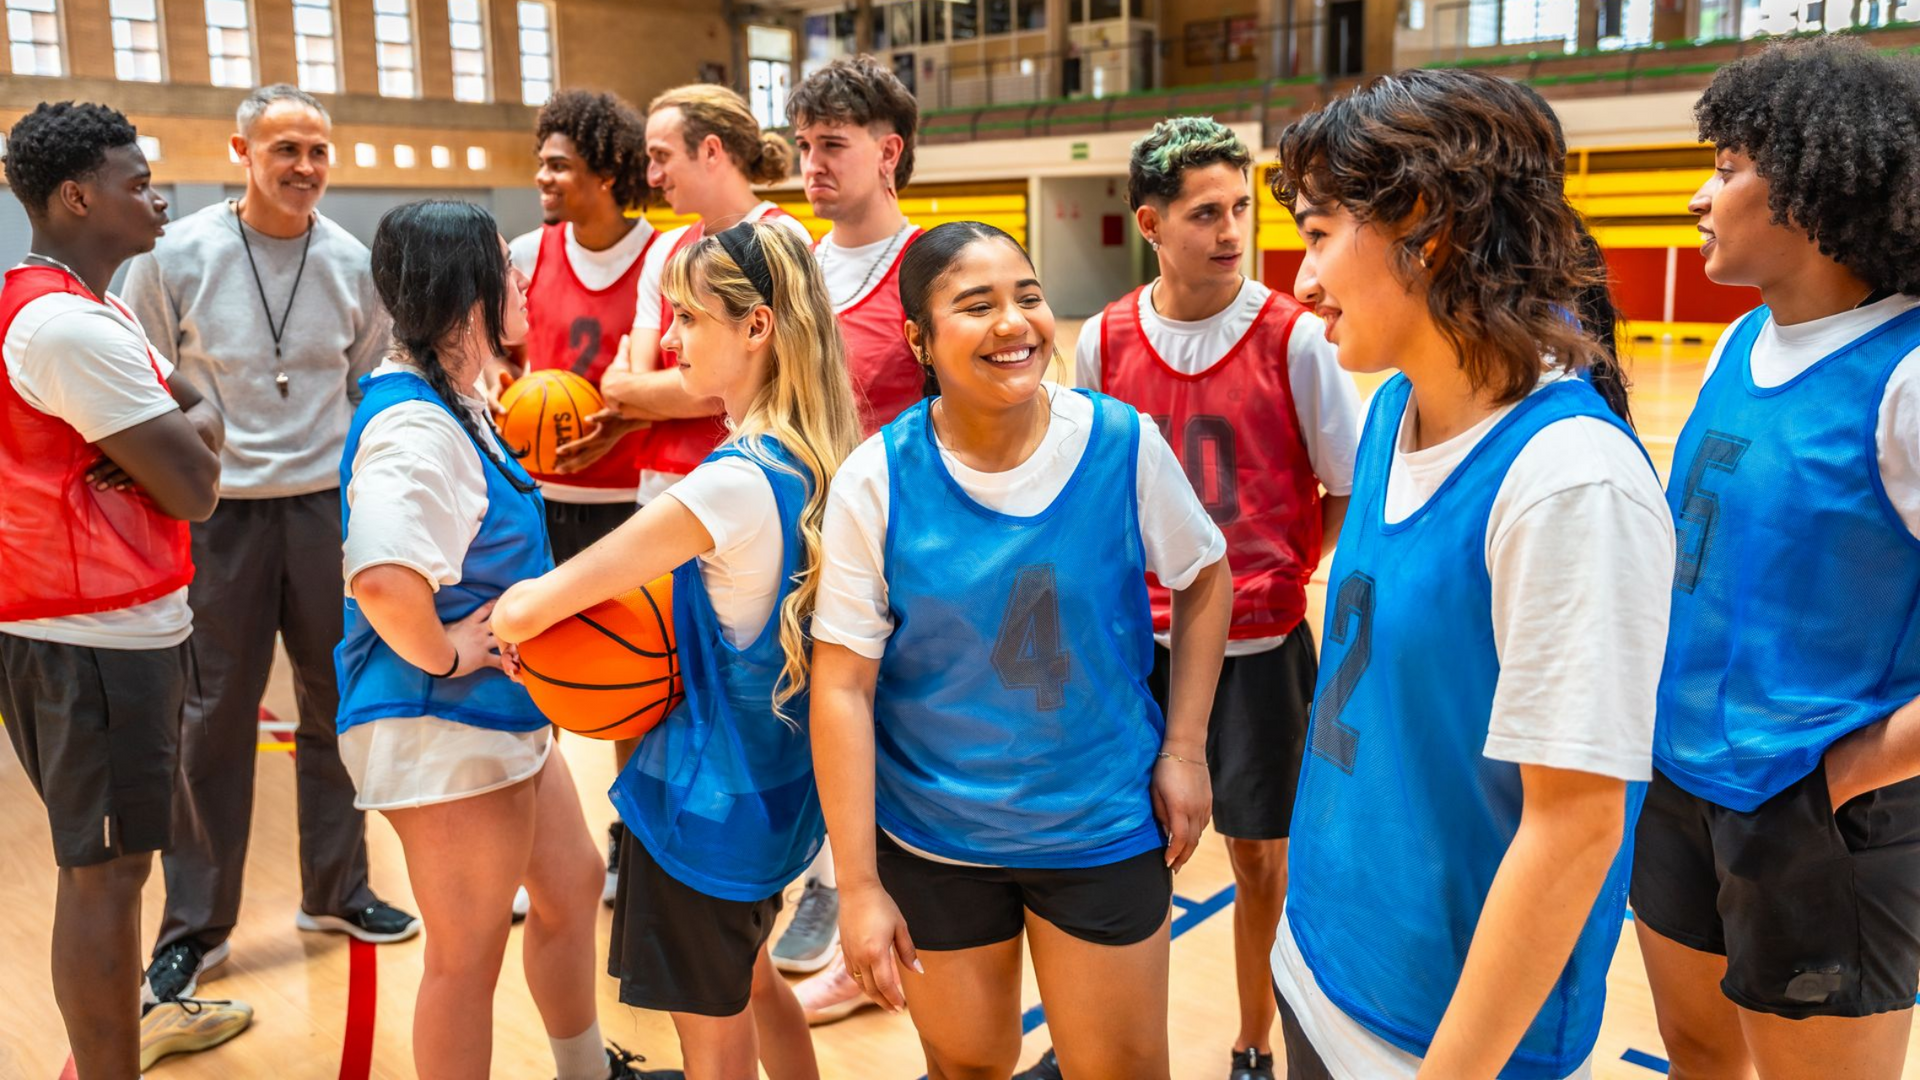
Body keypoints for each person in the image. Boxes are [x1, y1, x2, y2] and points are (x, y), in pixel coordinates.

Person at [1265, 70, 1674, 1080]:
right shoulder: (1387, 415)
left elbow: (1575, 831)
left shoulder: (1569, 480)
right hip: (1320, 963)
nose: (1302, 281)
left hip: (1443, 1040)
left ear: (1424, 228)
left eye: (1319, 236)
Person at [810, 220, 1233, 1080]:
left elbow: (1205, 576)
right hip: (934, 838)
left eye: (1028, 297)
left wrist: (1185, 749)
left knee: (1118, 1068)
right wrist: (856, 886)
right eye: (978, 305)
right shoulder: (877, 478)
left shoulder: (1121, 443)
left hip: (1101, 827)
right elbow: (843, 688)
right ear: (919, 340)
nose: (1015, 323)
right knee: (968, 1063)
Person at [493, 220, 861, 1080]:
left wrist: (510, 617)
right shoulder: (823, 456)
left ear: (757, 327)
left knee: (714, 1046)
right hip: (777, 794)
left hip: (705, 809)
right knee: (758, 986)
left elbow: (538, 606)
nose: (670, 337)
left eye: (690, 318)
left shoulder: (729, 484)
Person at [1629, 37, 1920, 1080]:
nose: (1702, 197)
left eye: (1726, 166)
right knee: (1696, 1054)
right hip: (1679, 781)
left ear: (1809, 182)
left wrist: (1841, 775)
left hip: (1816, 812)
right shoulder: (1734, 345)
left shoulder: (1908, 377)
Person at [1048, 115, 1361, 1080]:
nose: (1231, 231)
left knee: (1262, 858)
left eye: (1240, 210)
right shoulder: (1101, 342)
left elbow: (1342, 485)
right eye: (1204, 213)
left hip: (1263, 647)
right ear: (1150, 221)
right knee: (1125, 851)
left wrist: (1280, 573)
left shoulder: (1296, 339)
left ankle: (1253, 1041)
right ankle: (1110, 1044)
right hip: (1139, 646)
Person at [339, 199, 674, 1080]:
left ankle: (584, 1070)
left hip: (492, 713)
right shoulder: (413, 424)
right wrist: (449, 650)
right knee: (466, 953)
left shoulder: (462, 398)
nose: (523, 279)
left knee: (567, 890)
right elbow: (380, 574)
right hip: (435, 719)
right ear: (463, 288)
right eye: (505, 266)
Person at [121, 83, 413, 1007]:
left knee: (339, 709)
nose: (304, 168)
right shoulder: (176, 255)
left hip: (326, 513)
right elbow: (139, 369)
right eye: (285, 149)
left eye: (318, 150)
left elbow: (372, 378)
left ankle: (338, 891)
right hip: (218, 517)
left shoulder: (353, 262)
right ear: (239, 151)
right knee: (211, 721)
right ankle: (196, 928)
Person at [0, 100, 252, 1077]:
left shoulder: (81, 304)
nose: (158, 196)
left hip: (97, 628)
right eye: (135, 182)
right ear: (74, 196)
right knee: (104, 876)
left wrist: (184, 442)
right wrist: (186, 453)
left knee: (116, 866)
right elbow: (196, 485)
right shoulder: (68, 328)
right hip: (89, 637)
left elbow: (199, 409)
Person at [589, 82, 809, 900]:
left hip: (757, 487)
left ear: (711, 151)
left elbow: (670, 382)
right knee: (646, 671)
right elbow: (626, 382)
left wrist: (655, 389)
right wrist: (660, 388)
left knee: (759, 687)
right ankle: (639, 829)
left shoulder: (788, 244)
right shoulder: (667, 252)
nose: (649, 172)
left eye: (660, 154)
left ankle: (786, 866)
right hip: (664, 485)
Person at [774, 51, 923, 992]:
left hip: (902, 554)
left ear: (889, 152)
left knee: (892, 741)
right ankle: (830, 879)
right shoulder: (794, 265)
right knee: (815, 726)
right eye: (802, 147)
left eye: (832, 146)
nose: (811, 165)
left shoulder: (928, 268)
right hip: (799, 541)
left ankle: (857, 901)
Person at [499, 89, 654, 908]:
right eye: (543, 161)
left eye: (559, 164)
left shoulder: (662, 254)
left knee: (632, 677)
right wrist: (504, 389)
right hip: (538, 492)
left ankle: (626, 842)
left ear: (606, 171)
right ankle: (536, 846)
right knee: (535, 668)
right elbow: (502, 354)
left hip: (630, 498)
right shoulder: (527, 251)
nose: (544, 176)